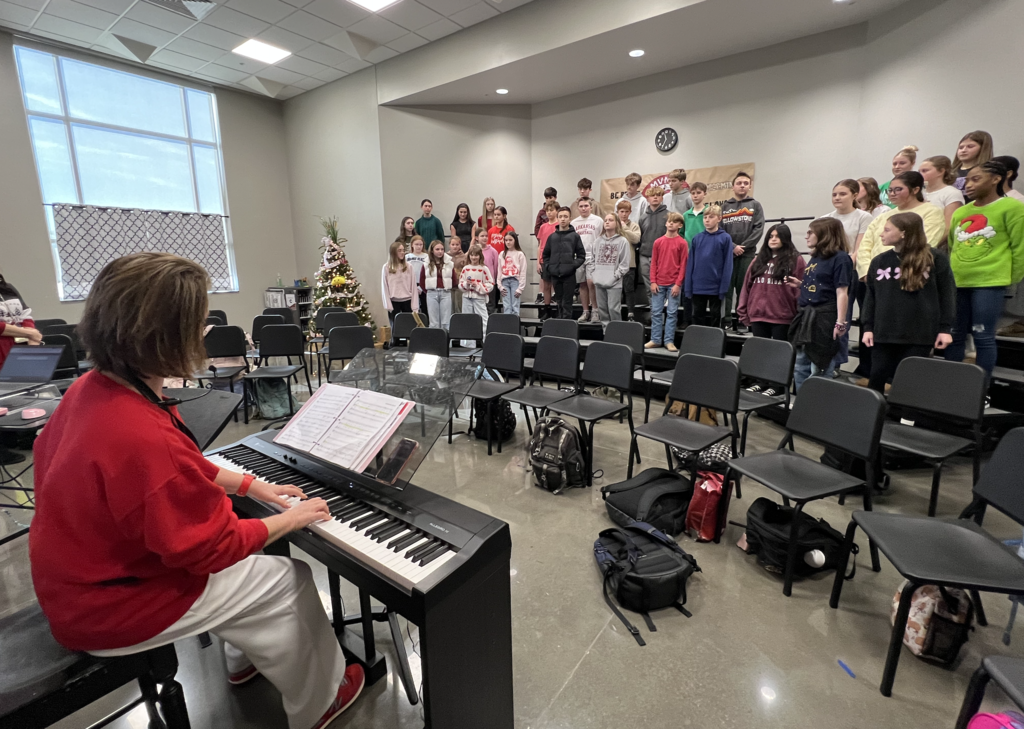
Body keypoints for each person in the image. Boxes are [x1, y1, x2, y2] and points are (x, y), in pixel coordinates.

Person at [29, 253, 363, 729]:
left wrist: (255, 485)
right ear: (169, 335)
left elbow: (180, 466)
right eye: (198, 322)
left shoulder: (92, 387)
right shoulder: (139, 435)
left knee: (250, 575)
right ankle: (321, 700)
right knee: (288, 580)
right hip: (109, 608)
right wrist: (294, 516)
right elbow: (214, 548)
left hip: (79, 584)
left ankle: (243, 663)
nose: (204, 334)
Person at [943, 160, 1024, 377]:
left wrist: (1009, 279)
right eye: (967, 180)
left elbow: (1020, 247)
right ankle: (950, 384)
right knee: (955, 334)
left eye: (975, 179)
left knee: (982, 335)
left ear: (996, 179)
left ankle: (981, 389)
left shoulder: (1013, 208)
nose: (968, 185)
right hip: (959, 281)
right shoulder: (962, 212)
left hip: (990, 283)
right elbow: (953, 245)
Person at [861, 213, 955, 393]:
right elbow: (871, 297)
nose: (882, 234)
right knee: (877, 376)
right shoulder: (879, 261)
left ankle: (905, 419)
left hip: (919, 333)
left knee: (909, 382)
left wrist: (945, 328)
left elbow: (947, 295)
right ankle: (873, 417)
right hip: (884, 332)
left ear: (903, 233)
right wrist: (867, 327)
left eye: (887, 230)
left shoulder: (935, 258)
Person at [788, 218, 852, 391]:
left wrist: (840, 321)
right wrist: (801, 285)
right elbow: (822, 285)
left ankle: (817, 406)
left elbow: (841, 292)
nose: (806, 236)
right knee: (800, 364)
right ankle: (803, 402)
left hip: (824, 317)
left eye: (811, 232)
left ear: (824, 235)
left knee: (820, 366)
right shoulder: (816, 257)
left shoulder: (841, 258)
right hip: (806, 315)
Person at [857, 171, 946, 280]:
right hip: (877, 275)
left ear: (915, 190)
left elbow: (926, 242)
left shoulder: (932, 211)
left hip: (908, 274)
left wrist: (899, 271)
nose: (892, 193)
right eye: (890, 190)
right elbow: (865, 246)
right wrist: (867, 273)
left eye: (898, 189)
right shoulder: (884, 216)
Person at [737, 224, 805, 341]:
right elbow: (746, 288)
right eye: (770, 236)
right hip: (758, 317)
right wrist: (743, 313)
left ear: (785, 239)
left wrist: (799, 316)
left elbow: (802, 289)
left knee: (782, 355)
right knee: (761, 354)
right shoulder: (757, 260)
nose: (773, 239)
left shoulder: (796, 260)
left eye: (777, 236)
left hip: (783, 318)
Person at [720, 171, 765, 330]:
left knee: (743, 289)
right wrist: (733, 247)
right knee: (726, 288)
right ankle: (725, 321)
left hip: (747, 254)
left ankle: (742, 321)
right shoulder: (725, 206)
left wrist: (743, 247)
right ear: (733, 186)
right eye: (739, 183)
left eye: (746, 183)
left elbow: (758, 229)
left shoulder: (755, 205)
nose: (742, 186)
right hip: (728, 254)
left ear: (749, 186)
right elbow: (720, 230)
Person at [645, 212, 688, 351]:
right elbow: (653, 264)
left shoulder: (682, 243)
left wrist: (678, 284)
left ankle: (669, 340)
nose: (671, 223)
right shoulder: (658, 242)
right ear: (665, 223)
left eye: (674, 222)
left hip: (673, 284)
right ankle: (655, 339)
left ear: (680, 225)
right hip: (658, 283)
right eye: (669, 221)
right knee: (656, 312)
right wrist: (653, 281)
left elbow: (683, 265)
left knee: (672, 313)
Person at [685, 204, 733, 328]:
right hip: (698, 286)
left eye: (711, 217)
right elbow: (691, 263)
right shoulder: (697, 238)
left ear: (719, 218)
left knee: (715, 316)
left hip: (715, 287)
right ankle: (698, 343)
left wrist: (723, 288)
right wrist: (689, 287)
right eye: (705, 217)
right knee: (697, 316)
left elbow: (728, 265)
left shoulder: (725, 238)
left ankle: (714, 344)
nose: (707, 220)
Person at [542, 206, 586, 320]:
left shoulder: (575, 236)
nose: (563, 219)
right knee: (559, 302)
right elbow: (545, 255)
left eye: (565, 216)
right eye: (560, 216)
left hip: (569, 276)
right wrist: (549, 267)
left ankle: (566, 327)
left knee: (567, 303)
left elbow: (581, 255)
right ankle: (560, 326)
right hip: (555, 275)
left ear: (570, 218)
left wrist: (572, 266)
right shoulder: (552, 237)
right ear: (557, 218)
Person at [592, 213, 630, 323]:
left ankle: (617, 335)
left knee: (614, 309)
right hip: (599, 281)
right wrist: (594, 274)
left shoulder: (623, 241)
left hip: (614, 283)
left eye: (610, 220)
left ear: (617, 223)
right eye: (605, 220)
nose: (607, 222)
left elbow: (624, 265)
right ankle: (605, 333)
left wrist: (614, 277)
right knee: (602, 310)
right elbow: (591, 259)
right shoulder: (597, 241)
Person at [571, 197, 603, 322]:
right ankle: (585, 311)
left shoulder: (598, 220)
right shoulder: (574, 223)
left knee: (591, 283)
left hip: (593, 256)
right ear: (578, 208)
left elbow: (602, 237)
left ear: (591, 207)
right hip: (579, 257)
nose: (583, 208)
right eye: (581, 206)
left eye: (586, 206)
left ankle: (595, 310)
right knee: (582, 284)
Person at [0, 273, 40, 368]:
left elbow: (25, 314)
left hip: (21, 346)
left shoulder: (8, 288)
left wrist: (32, 339)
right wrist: (28, 333)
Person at [920, 155, 965, 234]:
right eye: (919, 171)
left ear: (941, 171)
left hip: (937, 241)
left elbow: (949, 227)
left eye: (925, 171)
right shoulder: (918, 192)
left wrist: (930, 244)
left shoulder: (952, 193)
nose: (920, 174)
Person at [616, 199, 643, 321]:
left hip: (629, 263)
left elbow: (636, 239)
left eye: (626, 211)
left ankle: (630, 313)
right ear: (617, 212)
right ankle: (617, 314)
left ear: (630, 212)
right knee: (616, 290)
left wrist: (624, 229)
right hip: (614, 264)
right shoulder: (613, 224)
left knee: (629, 289)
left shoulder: (634, 225)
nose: (624, 214)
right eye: (621, 211)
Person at [638, 186, 668, 294]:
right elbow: (640, 237)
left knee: (662, 285)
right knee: (649, 286)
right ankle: (653, 309)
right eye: (652, 195)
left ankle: (661, 309)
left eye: (658, 195)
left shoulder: (668, 215)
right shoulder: (643, 217)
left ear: (662, 198)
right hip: (645, 255)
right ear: (647, 199)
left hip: (662, 255)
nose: (655, 197)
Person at [382, 240, 418, 326]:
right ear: (393, 252)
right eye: (399, 250)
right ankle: (395, 340)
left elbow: (413, 286)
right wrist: (388, 305)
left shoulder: (409, 266)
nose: (402, 253)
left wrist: (415, 306)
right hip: (394, 302)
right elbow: (384, 287)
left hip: (407, 301)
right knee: (396, 328)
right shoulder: (386, 267)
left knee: (408, 327)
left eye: (403, 250)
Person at [421, 239, 455, 331]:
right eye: (437, 249)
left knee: (446, 321)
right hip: (432, 293)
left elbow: (454, 279)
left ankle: (446, 341)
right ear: (432, 250)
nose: (440, 252)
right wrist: (429, 290)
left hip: (445, 293)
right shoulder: (426, 264)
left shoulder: (449, 263)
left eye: (442, 249)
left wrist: (447, 287)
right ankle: (434, 343)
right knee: (434, 321)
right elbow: (422, 281)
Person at [459, 244, 494, 330]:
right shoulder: (465, 268)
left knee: (483, 319)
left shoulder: (484, 269)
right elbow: (460, 284)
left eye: (476, 255)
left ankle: (485, 341)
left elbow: (490, 284)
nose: (474, 257)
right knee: (467, 320)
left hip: (479, 298)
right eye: (472, 255)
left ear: (480, 256)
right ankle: (468, 343)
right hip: (467, 298)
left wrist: (478, 286)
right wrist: (466, 284)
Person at [952, 131, 994, 200]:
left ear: (983, 148)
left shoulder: (987, 171)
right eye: (961, 147)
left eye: (970, 146)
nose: (964, 150)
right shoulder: (950, 172)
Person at [537, 201, 559, 319]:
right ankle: (547, 309)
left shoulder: (559, 225)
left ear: (556, 211)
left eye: (552, 210)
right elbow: (540, 245)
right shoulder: (543, 227)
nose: (549, 212)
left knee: (557, 285)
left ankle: (557, 309)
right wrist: (538, 262)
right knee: (546, 285)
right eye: (547, 210)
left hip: (556, 260)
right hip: (544, 260)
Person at [498, 231, 527, 316]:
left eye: (510, 240)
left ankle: (514, 327)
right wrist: (500, 286)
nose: (508, 242)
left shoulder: (520, 254)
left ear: (515, 240)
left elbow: (523, 271)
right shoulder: (502, 254)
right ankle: (507, 327)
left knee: (515, 306)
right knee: (506, 306)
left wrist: (520, 288)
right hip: (504, 282)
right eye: (506, 240)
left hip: (515, 281)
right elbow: (499, 271)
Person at [473, 227, 500, 315]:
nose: (485, 238)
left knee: (490, 305)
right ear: (476, 238)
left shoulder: (493, 251)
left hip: (489, 283)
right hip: (477, 283)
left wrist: (494, 282)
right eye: (482, 236)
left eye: (486, 236)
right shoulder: (473, 250)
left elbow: (496, 267)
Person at [405, 235, 429, 321]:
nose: (419, 246)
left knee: (424, 307)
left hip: (422, 285)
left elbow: (428, 272)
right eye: (416, 244)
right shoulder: (407, 257)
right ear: (412, 245)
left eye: (420, 244)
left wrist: (421, 287)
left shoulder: (426, 257)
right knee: (411, 308)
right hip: (410, 285)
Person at [449, 236, 467, 314]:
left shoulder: (464, 257)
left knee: (459, 306)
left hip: (460, 285)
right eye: (453, 244)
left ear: (460, 245)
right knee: (450, 306)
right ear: (449, 245)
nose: (455, 246)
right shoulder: (446, 257)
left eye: (457, 244)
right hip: (449, 285)